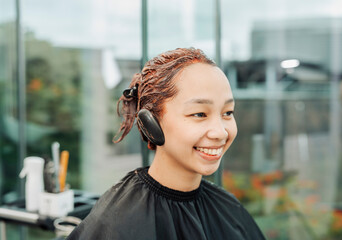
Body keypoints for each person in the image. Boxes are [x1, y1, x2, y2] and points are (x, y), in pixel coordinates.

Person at [67, 48, 265, 239]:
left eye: (228, 113)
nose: (220, 132)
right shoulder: (117, 223)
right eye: (199, 114)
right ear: (150, 123)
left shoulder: (229, 209)